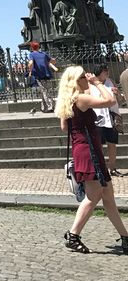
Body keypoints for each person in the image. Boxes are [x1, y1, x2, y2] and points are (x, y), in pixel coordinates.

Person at [54, 66, 128, 254]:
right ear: (75, 80)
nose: (87, 76)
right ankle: (73, 235)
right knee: (93, 195)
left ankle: (125, 237)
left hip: (85, 148)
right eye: (82, 75)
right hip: (89, 151)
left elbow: (64, 127)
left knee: (108, 195)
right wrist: (98, 83)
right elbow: (110, 100)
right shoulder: (81, 99)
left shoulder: (69, 100)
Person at [91, 64, 124, 177]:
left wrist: (117, 94)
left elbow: (120, 100)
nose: (108, 72)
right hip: (98, 119)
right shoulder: (91, 85)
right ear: (99, 72)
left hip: (111, 118)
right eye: (105, 71)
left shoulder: (111, 82)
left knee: (112, 144)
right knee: (99, 144)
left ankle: (113, 168)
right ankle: (100, 168)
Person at [27, 41, 58, 113]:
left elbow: (31, 63)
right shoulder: (44, 54)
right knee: (45, 90)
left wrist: (30, 69)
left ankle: (51, 106)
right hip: (47, 74)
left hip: (39, 75)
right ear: (39, 47)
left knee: (45, 91)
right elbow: (53, 61)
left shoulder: (32, 54)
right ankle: (44, 107)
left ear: (32, 47)